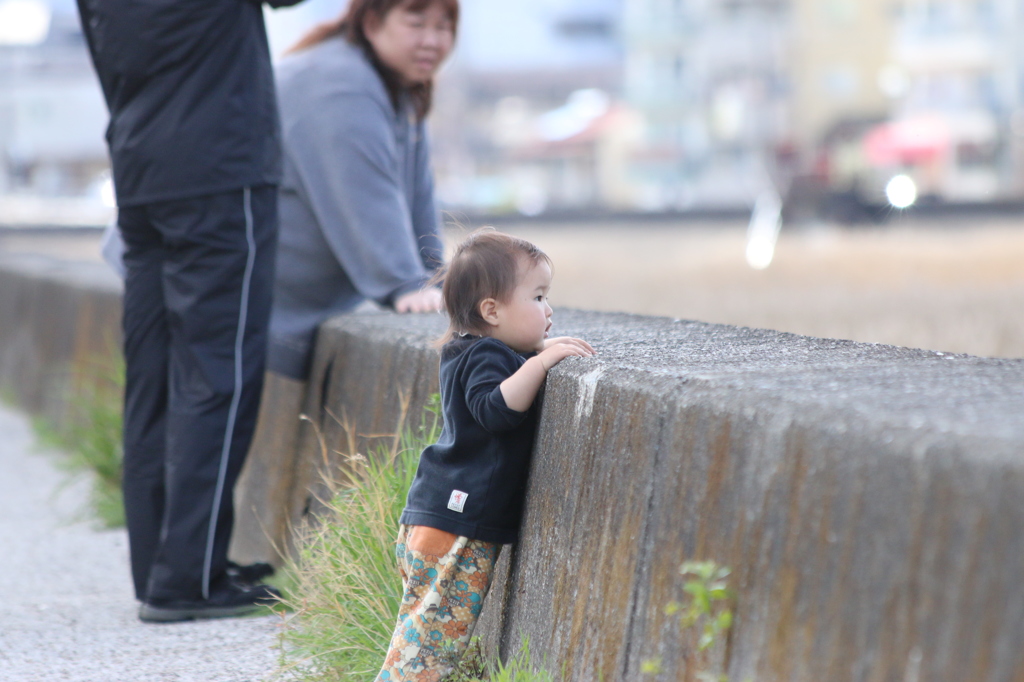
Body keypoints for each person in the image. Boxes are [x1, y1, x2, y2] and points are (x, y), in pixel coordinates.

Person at [75, 0, 302, 622]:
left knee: (152, 378)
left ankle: (162, 567)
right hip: (222, 167)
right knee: (217, 375)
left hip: (139, 167)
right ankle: (189, 578)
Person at [375, 230, 596, 681]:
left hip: (436, 516)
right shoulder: (488, 356)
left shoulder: (469, 349)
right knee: (425, 653)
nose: (549, 309)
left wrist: (531, 350)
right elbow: (495, 409)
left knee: (421, 635)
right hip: (456, 525)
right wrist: (539, 362)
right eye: (537, 297)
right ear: (491, 310)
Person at [267, 0, 457, 381]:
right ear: (372, 23)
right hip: (203, 284)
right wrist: (403, 281)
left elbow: (417, 197)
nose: (433, 41)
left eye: (444, 26)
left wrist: (432, 280)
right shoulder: (339, 85)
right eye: (416, 23)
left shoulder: (397, 87)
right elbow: (363, 196)